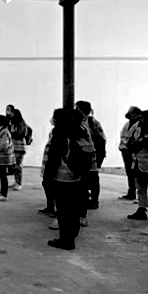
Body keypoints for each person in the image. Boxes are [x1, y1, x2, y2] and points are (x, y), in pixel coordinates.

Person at [43, 108, 88, 251]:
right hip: (76, 177)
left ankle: (65, 240)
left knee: (63, 211)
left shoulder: (59, 135)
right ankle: (71, 237)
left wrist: (47, 178)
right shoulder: (78, 132)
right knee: (73, 210)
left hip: (62, 178)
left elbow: (53, 160)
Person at [75, 101, 106, 214]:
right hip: (80, 155)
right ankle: (85, 198)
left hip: (92, 155)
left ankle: (94, 200)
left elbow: (102, 139)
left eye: (77, 108)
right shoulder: (76, 121)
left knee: (93, 178)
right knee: (82, 178)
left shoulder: (93, 122)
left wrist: (100, 156)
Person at [119, 106, 143, 201]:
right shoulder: (127, 124)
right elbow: (123, 136)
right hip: (125, 150)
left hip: (132, 151)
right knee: (129, 172)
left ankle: (136, 193)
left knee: (134, 173)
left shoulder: (139, 125)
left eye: (132, 112)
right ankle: (131, 192)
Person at [7, 105, 31, 191]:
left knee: (18, 166)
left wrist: (10, 134)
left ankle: (19, 183)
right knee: (15, 165)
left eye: (11, 113)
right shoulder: (13, 123)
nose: (9, 114)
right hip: (14, 146)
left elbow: (19, 134)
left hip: (19, 147)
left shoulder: (20, 123)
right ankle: (16, 182)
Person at [38, 115, 57, 218]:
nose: (51, 119)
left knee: (49, 185)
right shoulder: (54, 131)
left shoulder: (58, 133)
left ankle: (52, 209)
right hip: (49, 164)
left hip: (53, 165)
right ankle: (50, 207)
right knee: (47, 184)